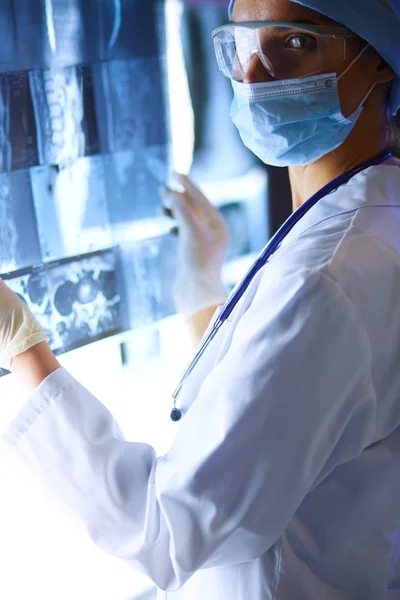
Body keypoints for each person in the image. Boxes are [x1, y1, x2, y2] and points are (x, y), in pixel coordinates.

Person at [1, 0, 400, 597]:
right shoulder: (373, 210)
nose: (253, 75)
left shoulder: (327, 279)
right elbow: (286, 408)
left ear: (378, 61)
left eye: (295, 45)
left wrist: (23, 346)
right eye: (241, 45)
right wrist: (203, 296)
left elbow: (170, 532)